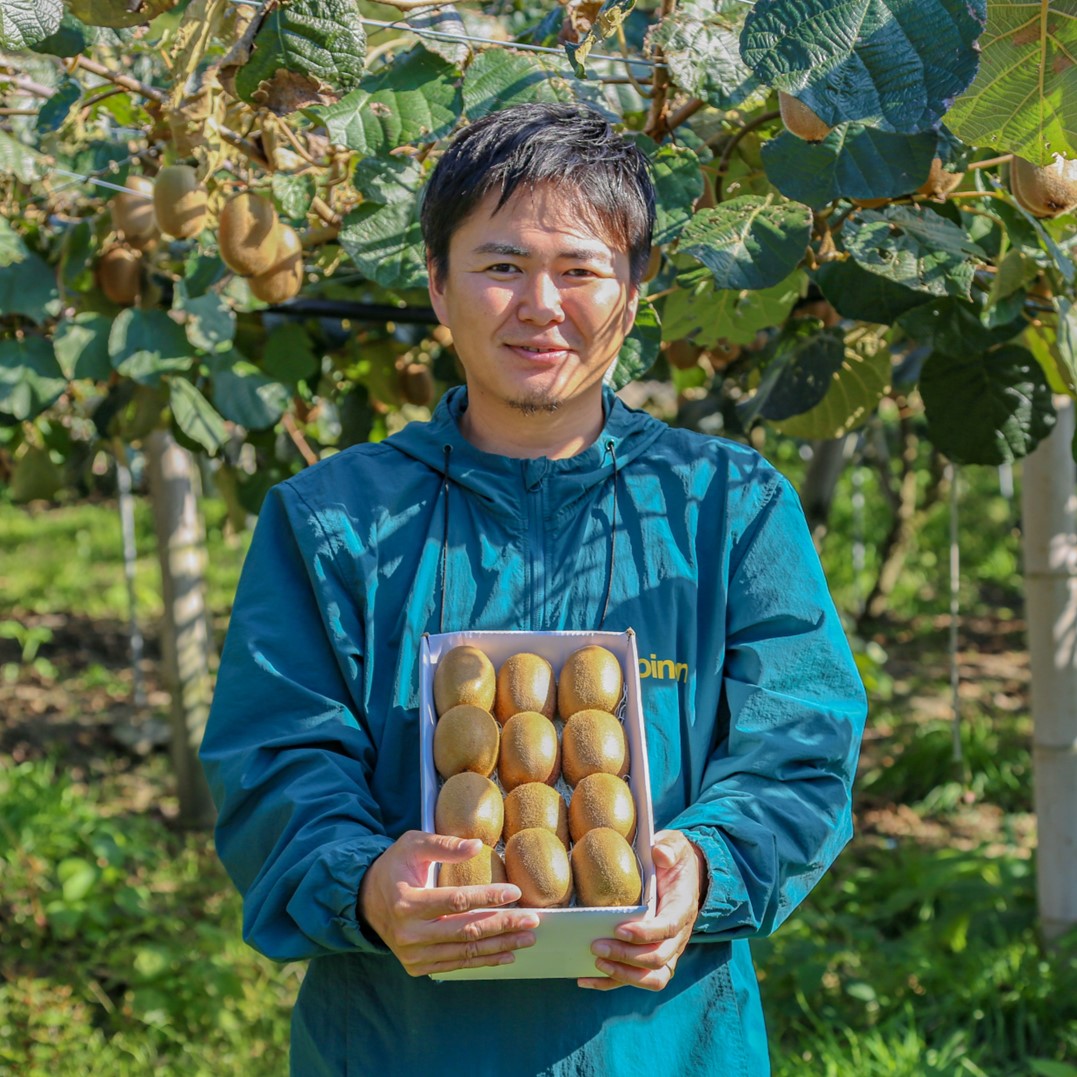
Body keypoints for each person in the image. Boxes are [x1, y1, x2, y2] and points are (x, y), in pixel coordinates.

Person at [200, 102, 867, 1075]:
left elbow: (802, 747)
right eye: (503, 266)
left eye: (581, 270)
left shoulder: (730, 506)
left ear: (633, 291)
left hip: (671, 1044)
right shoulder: (328, 521)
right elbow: (272, 765)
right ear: (437, 283)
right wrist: (364, 882)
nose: (541, 305)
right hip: (406, 1043)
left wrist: (709, 863)